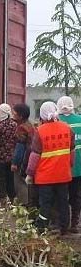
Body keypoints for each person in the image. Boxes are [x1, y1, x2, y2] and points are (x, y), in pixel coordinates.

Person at [26, 101, 75, 234]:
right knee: (63, 202)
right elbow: (72, 151)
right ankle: (63, 227)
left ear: (41, 116)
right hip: (63, 175)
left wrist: (30, 174)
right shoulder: (67, 128)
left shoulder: (40, 131)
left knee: (45, 204)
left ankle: (42, 227)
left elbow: (35, 155)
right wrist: (69, 165)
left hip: (45, 177)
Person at [57, 96, 81, 233]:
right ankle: (75, 223)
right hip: (78, 165)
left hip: (61, 167)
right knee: (76, 195)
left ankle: (62, 224)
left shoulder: (56, 122)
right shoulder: (80, 120)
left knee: (61, 196)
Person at [10, 103, 38, 209]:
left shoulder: (21, 128)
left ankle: (25, 206)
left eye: (15, 113)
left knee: (20, 183)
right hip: (31, 158)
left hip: (23, 160)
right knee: (29, 182)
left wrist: (15, 163)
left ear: (20, 116)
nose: (13, 114)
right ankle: (31, 204)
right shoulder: (30, 125)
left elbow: (19, 148)